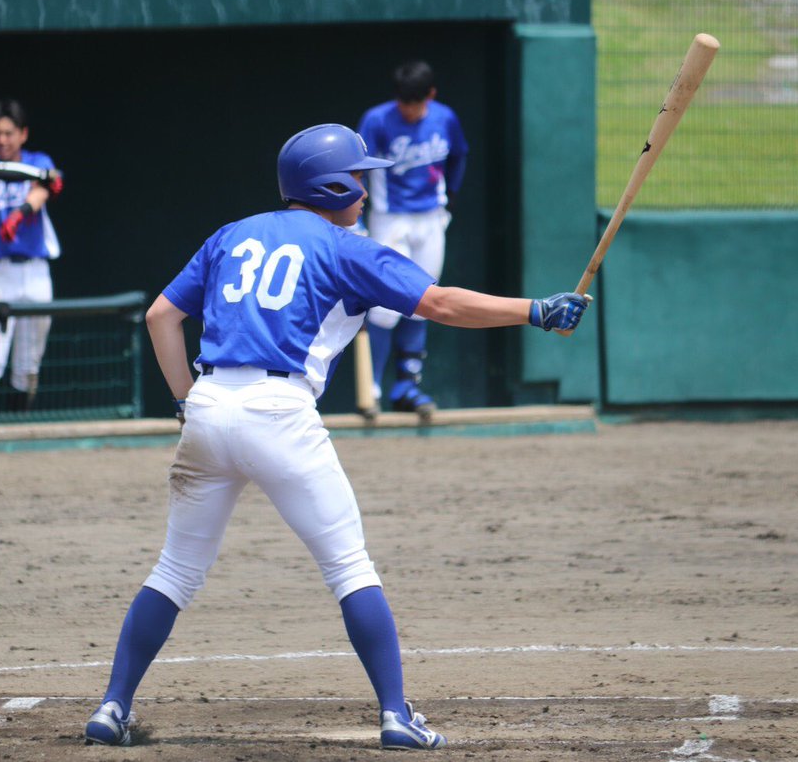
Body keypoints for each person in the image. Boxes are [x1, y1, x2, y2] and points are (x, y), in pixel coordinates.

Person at [82, 124, 589, 750]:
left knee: (175, 571)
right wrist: (535, 311)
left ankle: (112, 706)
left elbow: (163, 316)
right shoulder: (347, 246)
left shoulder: (231, 234)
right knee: (350, 567)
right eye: (358, 177)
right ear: (330, 186)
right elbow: (442, 305)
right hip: (280, 413)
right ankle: (396, 716)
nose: (367, 187)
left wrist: (187, 402)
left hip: (210, 407)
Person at [357, 60, 469, 419]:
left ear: (430, 95)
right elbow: (357, 170)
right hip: (390, 219)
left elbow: (459, 156)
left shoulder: (444, 117)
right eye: (404, 101)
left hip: (430, 218)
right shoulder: (376, 119)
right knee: (385, 306)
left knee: (426, 299)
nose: (409, 109)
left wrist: (448, 197)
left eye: (416, 102)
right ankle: (370, 388)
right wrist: (357, 220)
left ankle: (407, 386)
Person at [0, 98, 64, 412]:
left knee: (29, 361)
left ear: (23, 134)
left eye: (9, 133)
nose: (2, 140)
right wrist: (44, 175)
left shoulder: (39, 158)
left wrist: (20, 214)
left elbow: (43, 188)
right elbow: (2, 172)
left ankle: (19, 430)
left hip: (35, 271)